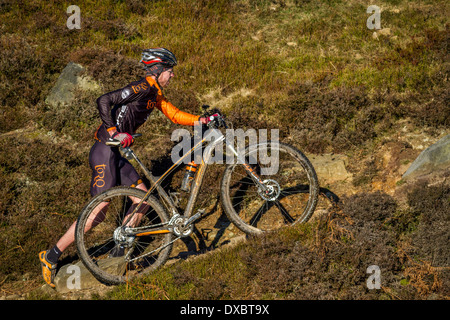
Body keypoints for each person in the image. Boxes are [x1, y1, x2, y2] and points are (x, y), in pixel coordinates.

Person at [39, 48, 212, 287]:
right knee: (96, 215)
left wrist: (200, 120)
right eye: (170, 71)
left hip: (115, 155)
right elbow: (104, 100)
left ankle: (119, 255)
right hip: (104, 152)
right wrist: (114, 132)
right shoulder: (142, 87)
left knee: (143, 202)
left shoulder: (155, 93)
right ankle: (51, 256)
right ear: (158, 70)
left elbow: (173, 115)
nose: (172, 76)